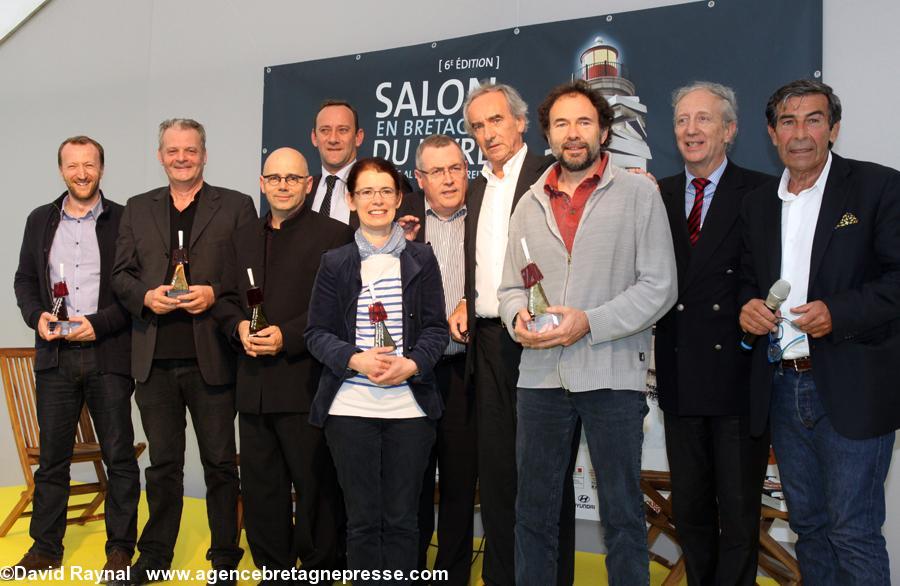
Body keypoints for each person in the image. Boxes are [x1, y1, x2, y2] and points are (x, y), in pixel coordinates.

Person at [497, 80, 677, 586]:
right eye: (560, 124)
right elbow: (510, 286)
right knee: (532, 515)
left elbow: (660, 287)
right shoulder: (529, 203)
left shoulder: (639, 192)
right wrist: (516, 319)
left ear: (603, 130)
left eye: (583, 122)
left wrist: (590, 321)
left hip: (613, 374)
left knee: (622, 515)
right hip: (539, 377)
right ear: (547, 135)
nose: (572, 134)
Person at [739, 79, 900, 586]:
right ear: (771, 133)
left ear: (833, 128)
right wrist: (747, 308)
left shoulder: (878, 187)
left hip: (852, 386)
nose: (801, 133)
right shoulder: (757, 203)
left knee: (853, 532)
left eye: (813, 119)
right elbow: (748, 280)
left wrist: (839, 311)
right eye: (788, 121)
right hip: (783, 389)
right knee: (809, 528)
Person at [112, 118, 256, 585]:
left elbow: (252, 274)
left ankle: (224, 557)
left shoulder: (236, 206)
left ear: (204, 154)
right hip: (153, 360)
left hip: (212, 357)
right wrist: (144, 297)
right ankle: (154, 557)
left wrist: (214, 291)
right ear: (160, 156)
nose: (181, 157)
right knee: (163, 466)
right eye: (172, 150)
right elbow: (120, 276)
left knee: (219, 463)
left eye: (190, 150)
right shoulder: (136, 209)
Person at [447, 82, 577, 586]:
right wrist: (466, 296)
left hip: (543, 341)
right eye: (477, 126)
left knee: (545, 479)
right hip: (486, 345)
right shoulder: (476, 187)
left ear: (521, 122)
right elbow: (481, 262)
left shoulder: (552, 172)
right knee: (498, 480)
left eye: (495, 120)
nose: (487, 133)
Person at [305, 157, 448, 582]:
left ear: (400, 197)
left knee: (404, 521)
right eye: (366, 191)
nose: (377, 200)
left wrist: (412, 363)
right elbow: (316, 332)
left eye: (386, 191)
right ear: (351, 199)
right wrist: (356, 359)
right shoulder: (335, 262)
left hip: (409, 409)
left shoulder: (422, 258)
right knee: (363, 521)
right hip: (350, 408)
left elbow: (437, 330)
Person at [213, 147, 352, 581]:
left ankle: (319, 570)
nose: (283, 186)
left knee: (315, 489)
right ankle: (272, 569)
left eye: (293, 179)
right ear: (262, 183)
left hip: (305, 383)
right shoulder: (241, 239)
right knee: (261, 490)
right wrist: (237, 327)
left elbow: (338, 306)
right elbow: (224, 300)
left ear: (309, 184)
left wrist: (286, 336)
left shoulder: (334, 235)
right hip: (252, 386)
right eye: (275, 178)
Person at [654, 82, 772, 585]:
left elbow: (768, 271)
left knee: (739, 513)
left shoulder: (764, 192)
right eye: (682, 120)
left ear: (730, 130)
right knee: (693, 512)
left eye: (703, 119)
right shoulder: (655, 194)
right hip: (679, 377)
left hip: (737, 377)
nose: (691, 130)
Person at [12, 136, 139, 580]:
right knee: (53, 460)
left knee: (120, 457)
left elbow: (135, 292)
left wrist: (100, 323)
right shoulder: (39, 220)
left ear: (102, 168)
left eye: (89, 164)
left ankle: (120, 551)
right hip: (56, 356)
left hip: (108, 355)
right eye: (73, 165)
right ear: (61, 169)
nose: (81, 172)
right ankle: (45, 549)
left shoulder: (126, 220)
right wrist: (36, 316)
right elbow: (25, 279)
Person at [401, 135, 478, 585]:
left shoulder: (488, 217)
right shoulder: (399, 221)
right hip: (413, 375)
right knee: (409, 487)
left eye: (456, 168)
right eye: (437, 171)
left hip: (467, 374)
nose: (448, 179)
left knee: (458, 487)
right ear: (420, 178)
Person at [307, 100, 412, 228]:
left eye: (343, 130)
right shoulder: (303, 191)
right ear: (314, 137)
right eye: (325, 130)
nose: (333, 139)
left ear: (358, 137)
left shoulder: (392, 183)